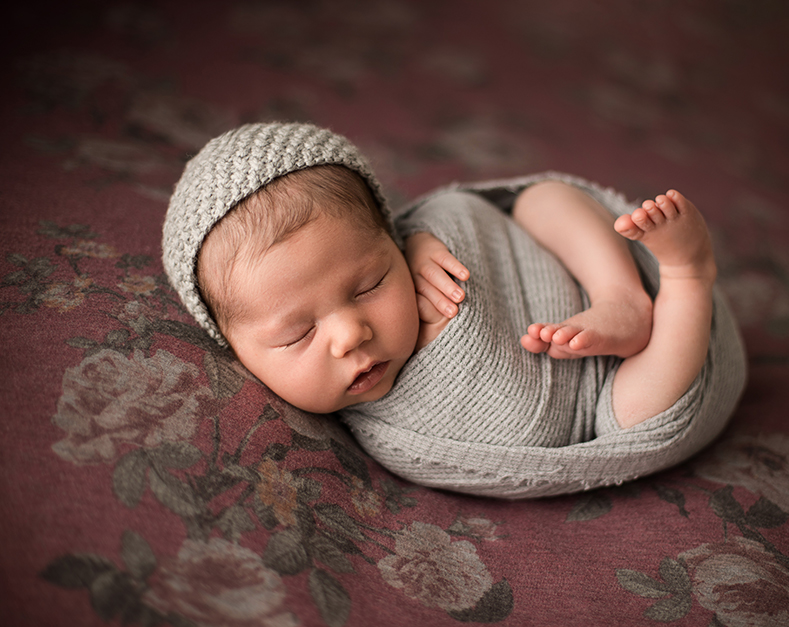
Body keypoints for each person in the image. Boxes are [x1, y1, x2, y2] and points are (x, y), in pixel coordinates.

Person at [163, 122, 747, 498]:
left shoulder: (419, 240)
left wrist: (422, 240)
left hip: (588, 284)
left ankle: (623, 294)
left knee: (541, 199)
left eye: (368, 284)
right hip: (611, 394)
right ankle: (687, 277)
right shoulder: (404, 438)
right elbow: (525, 450)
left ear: (391, 236)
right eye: (295, 334)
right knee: (637, 412)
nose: (350, 333)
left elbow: (466, 210)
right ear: (232, 347)